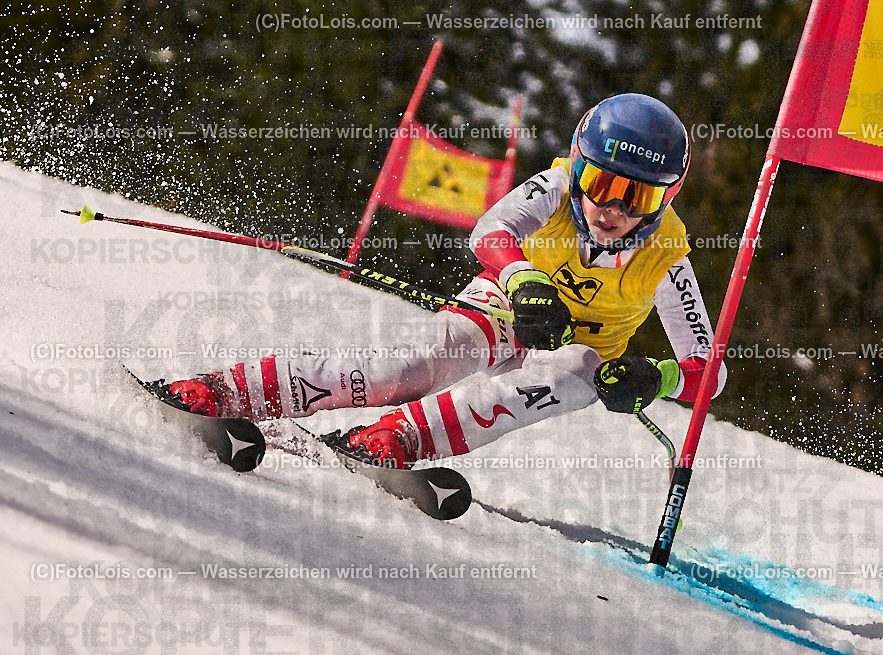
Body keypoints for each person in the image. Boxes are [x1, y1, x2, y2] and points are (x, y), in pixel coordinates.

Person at [168, 93, 726, 469]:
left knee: (579, 373)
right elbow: (491, 230)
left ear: (666, 198)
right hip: (506, 307)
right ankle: (231, 389)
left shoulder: (666, 255)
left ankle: (399, 438)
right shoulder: (554, 189)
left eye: (640, 196)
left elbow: (710, 373)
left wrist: (658, 379)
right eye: (602, 182)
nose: (614, 209)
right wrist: (524, 279)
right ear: (579, 166)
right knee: (409, 367)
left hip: (571, 351)